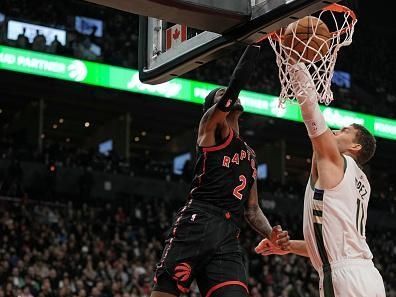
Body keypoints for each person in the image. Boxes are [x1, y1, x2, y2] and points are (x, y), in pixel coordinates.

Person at [151, 45, 289, 297]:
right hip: (199, 221)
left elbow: (253, 209)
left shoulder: (250, 154)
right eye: (221, 95)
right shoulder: (210, 128)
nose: (228, 95)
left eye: (227, 93)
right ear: (212, 109)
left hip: (228, 234)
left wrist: (272, 234)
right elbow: (233, 87)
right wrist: (255, 43)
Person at [255, 63, 385, 297]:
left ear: (355, 146)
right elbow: (333, 244)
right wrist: (288, 247)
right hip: (368, 277)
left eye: (344, 130)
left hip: (346, 280)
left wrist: (296, 63)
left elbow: (311, 113)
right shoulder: (362, 182)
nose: (335, 131)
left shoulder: (338, 163)